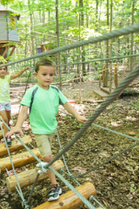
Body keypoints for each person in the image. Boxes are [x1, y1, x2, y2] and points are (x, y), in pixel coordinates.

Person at [6, 59, 87, 201]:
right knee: (48, 157)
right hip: (39, 130)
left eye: (51, 75)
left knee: (47, 154)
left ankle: (46, 164)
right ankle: (55, 185)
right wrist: (18, 126)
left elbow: (66, 104)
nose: (48, 77)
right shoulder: (32, 91)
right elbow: (24, 110)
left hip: (52, 128)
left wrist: (77, 115)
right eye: (44, 74)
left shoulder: (55, 90)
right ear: (35, 74)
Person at [0, 62, 31, 138]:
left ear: (6, 70)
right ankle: (7, 136)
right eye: (0, 69)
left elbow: (17, 75)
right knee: (5, 119)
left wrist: (24, 69)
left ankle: (7, 128)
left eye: (4, 69)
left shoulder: (7, 78)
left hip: (7, 102)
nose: (2, 70)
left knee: (8, 119)